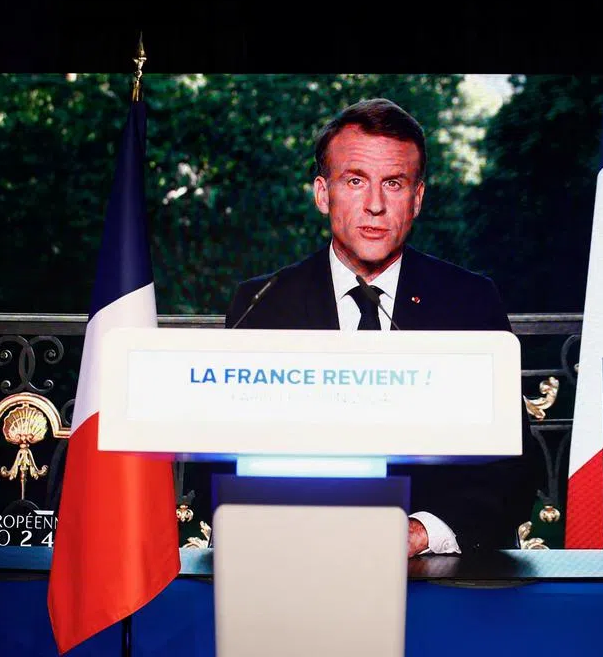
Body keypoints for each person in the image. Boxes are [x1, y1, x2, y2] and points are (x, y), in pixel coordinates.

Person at [196, 97, 540, 556]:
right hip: (292, 565)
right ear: (323, 193)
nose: (375, 205)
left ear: (417, 199)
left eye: (394, 184)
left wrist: (420, 532)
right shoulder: (262, 304)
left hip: (435, 576)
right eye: (355, 181)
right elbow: (219, 464)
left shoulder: (470, 301)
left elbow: (513, 464)